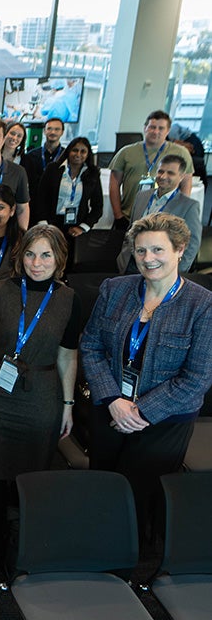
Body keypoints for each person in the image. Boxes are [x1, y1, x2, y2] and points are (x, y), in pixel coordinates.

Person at [80, 213, 212, 544]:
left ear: (179, 250)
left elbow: (197, 378)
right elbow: (91, 345)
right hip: (110, 408)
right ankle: (94, 552)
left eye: (157, 250)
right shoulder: (115, 289)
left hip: (165, 420)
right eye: (141, 251)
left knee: (137, 497)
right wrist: (114, 400)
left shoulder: (202, 305)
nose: (148, 258)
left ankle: (127, 560)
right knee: (103, 486)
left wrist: (140, 412)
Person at [0, 224, 80, 554]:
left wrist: (68, 404)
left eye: (46, 255)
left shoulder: (69, 299)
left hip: (41, 395)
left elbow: (68, 355)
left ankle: (23, 541)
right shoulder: (1, 290)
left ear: (59, 258)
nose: (37, 263)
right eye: (30, 254)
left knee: (31, 474)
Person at [116, 155, 201, 274]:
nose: (163, 176)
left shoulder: (189, 206)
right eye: (160, 171)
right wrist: (123, 257)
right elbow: (131, 229)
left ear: (181, 177)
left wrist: (177, 271)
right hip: (131, 263)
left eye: (170, 173)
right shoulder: (141, 196)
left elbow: (192, 244)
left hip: (161, 268)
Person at [109, 110, 193, 230]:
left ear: (168, 131)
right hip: (130, 217)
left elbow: (186, 183)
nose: (156, 131)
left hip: (165, 221)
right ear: (145, 128)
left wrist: (180, 214)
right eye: (152, 127)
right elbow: (114, 183)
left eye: (161, 128)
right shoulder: (126, 152)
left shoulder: (181, 153)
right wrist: (118, 215)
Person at [33, 137, 103, 264]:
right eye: (75, 150)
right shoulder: (53, 169)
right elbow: (40, 198)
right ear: (68, 151)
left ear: (88, 154)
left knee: (69, 263)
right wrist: (44, 225)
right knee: (49, 260)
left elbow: (98, 206)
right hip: (51, 223)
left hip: (76, 225)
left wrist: (83, 227)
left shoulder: (92, 174)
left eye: (83, 151)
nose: (78, 154)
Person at [21, 117, 64, 195]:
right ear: (44, 131)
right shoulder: (30, 156)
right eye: (49, 129)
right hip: (34, 199)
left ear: (62, 132)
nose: (53, 132)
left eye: (57, 129)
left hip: (57, 199)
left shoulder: (66, 156)